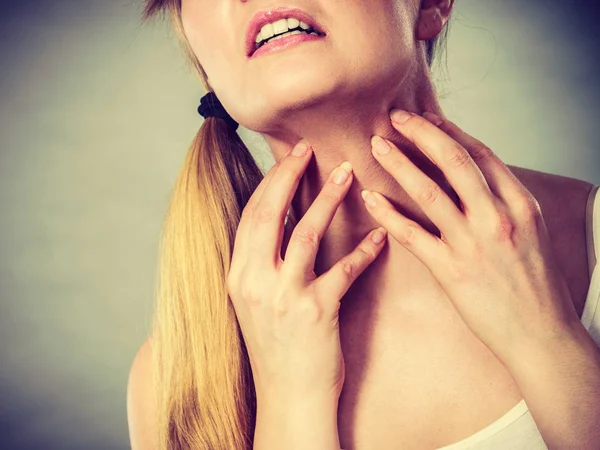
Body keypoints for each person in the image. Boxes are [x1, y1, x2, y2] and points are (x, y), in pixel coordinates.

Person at [127, 0, 600, 449]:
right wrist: (289, 400)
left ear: (432, 4)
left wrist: (547, 340)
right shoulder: (170, 374)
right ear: (206, 65)